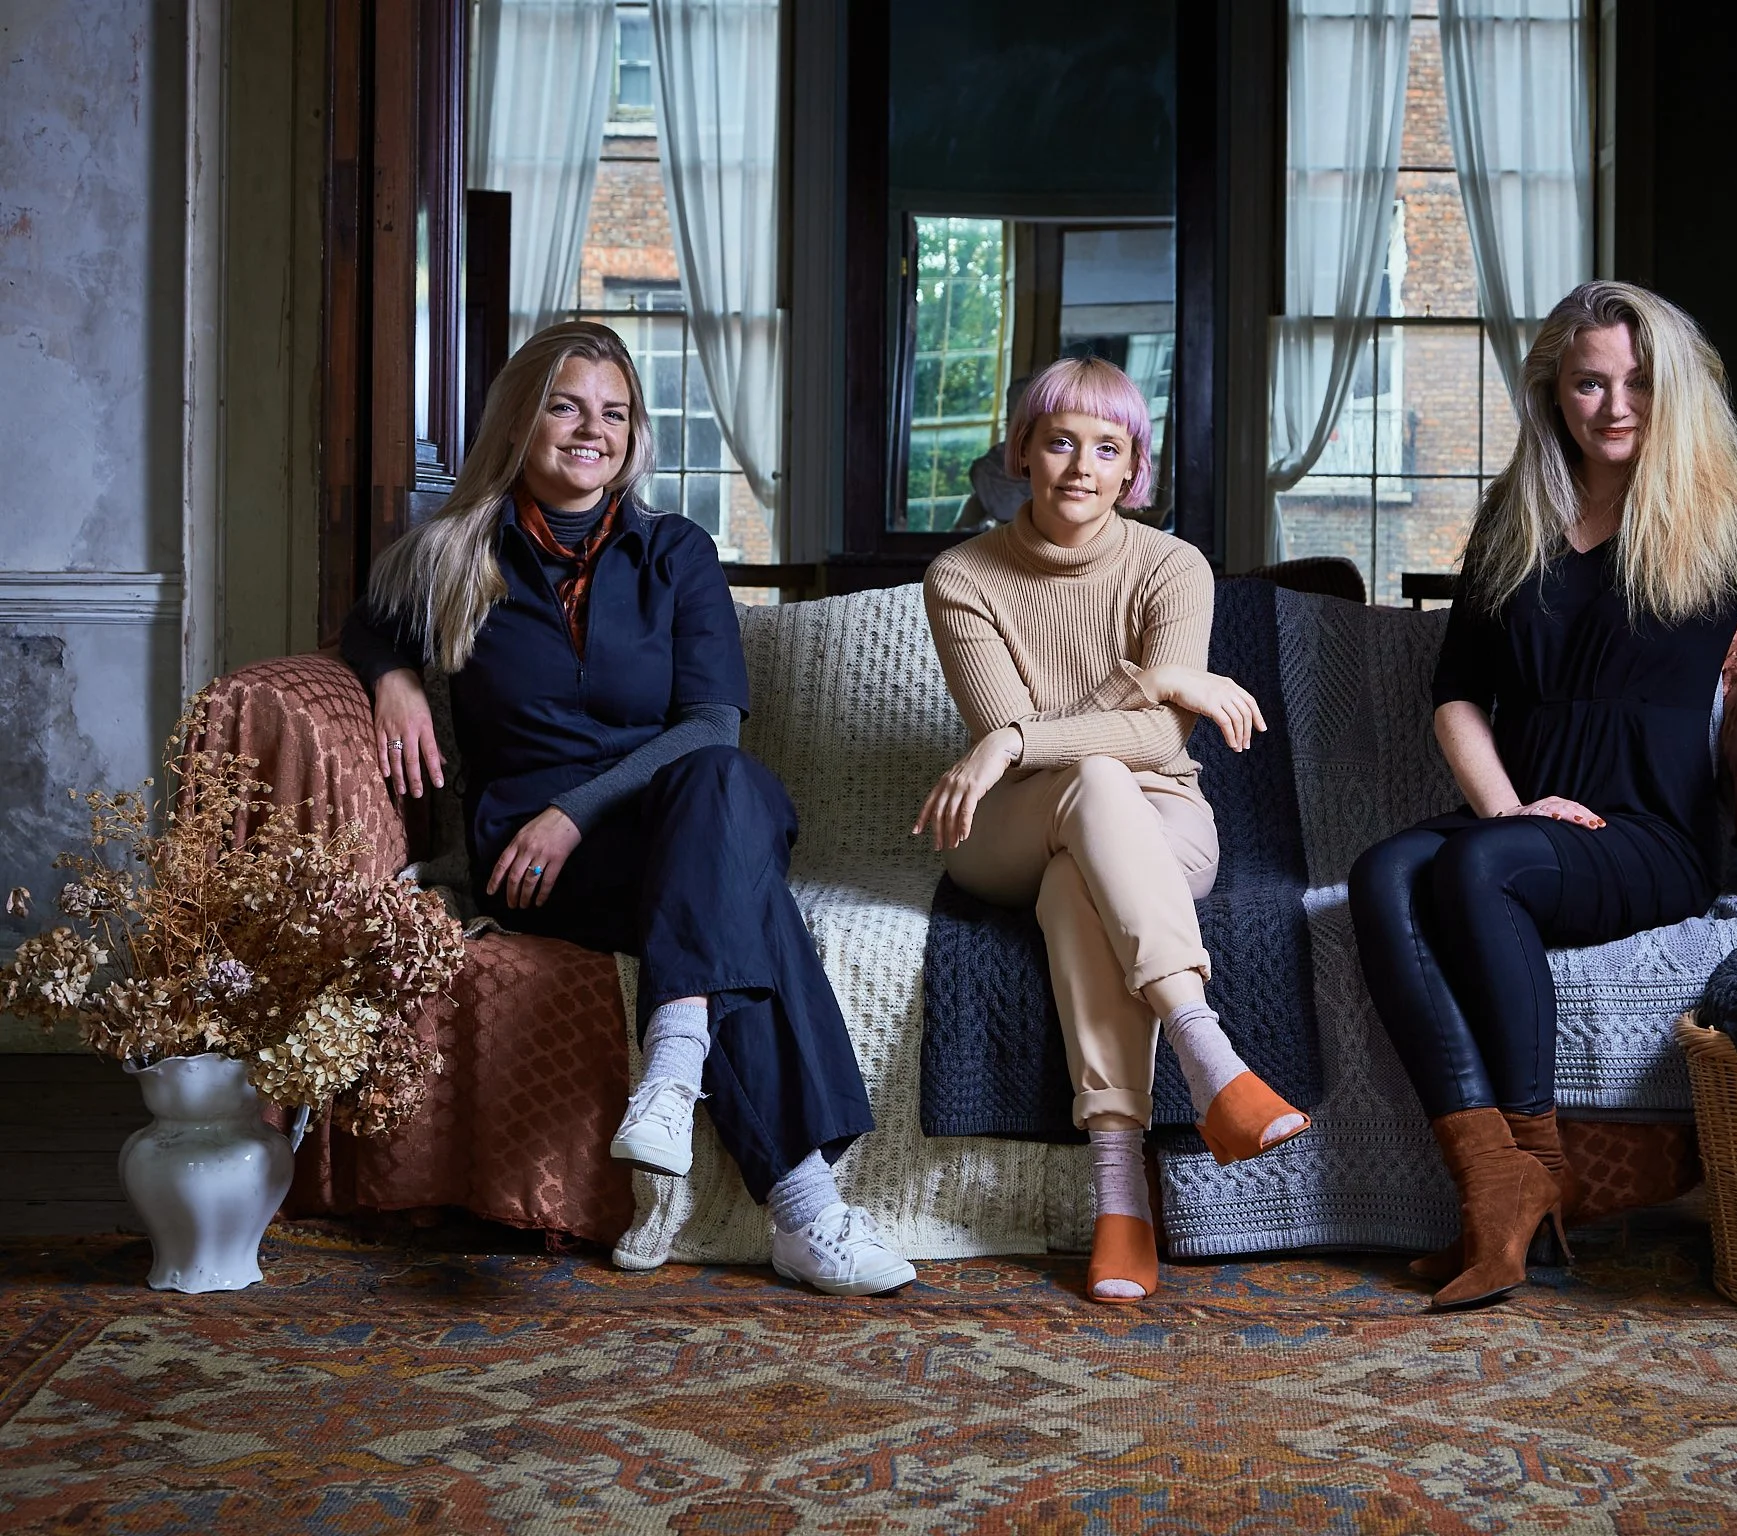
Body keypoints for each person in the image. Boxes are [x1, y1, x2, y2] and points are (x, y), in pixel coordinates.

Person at [1348, 282, 1737, 1309]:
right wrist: (1510, 810)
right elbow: (1457, 695)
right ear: (1552, 393)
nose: (1613, 406)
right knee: (1382, 870)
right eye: (1588, 383)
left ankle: (1531, 1171)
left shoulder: (1724, 515)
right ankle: (1500, 1185)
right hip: (1530, 826)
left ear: (1675, 389)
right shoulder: (1516, 521)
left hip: (1647, 834)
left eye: (1638, 382)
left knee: (1475, 864)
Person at [341, 322, 915, 1297]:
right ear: (521, 420)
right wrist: (391, 676)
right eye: (565, 406)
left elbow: (710, 726)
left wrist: (576, 805)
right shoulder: (446, 559)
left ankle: (676, 1054)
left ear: (633, 434)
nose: (588, 430)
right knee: (748, 908)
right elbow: (366, 626)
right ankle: (806, 1211)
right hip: (542, 864)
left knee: (724, 783)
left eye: (612, 412)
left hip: (677, 820)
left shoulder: (675, 554)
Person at [918, 355, 1311, 1305]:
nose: (1081, 467)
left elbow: (1156, 739)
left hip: (1163, 818)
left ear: (1135, 466)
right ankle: (1207, 1051)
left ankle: (1120, 1201)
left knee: (1077, 887)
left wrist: (1027, 732)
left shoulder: (1173, 566)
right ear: (1021, 451)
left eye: (1108, 447)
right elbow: (1048, 743)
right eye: (1059, 442)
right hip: (1003, 827)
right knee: (1090, 778)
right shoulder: (962, 577)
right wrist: (1143, 683)